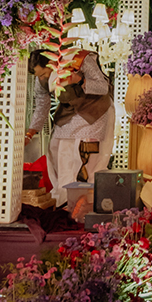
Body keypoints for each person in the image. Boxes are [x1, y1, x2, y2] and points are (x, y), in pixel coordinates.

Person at [29, 51, 116, 208]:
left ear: (52, 64)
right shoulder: (40, 79)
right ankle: (62, 198)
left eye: (43, 74)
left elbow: (103, 87)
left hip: (95, 110)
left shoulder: (80, 60)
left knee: (81, 155)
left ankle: (85, 201)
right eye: (39, 76)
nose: (42, 78)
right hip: (69, 112)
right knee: (56, 149)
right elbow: (42, 105)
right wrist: (31, 132)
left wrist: (80, 79)